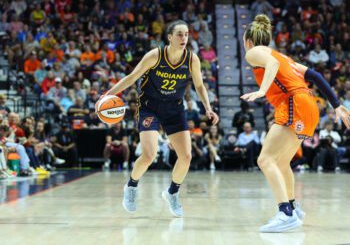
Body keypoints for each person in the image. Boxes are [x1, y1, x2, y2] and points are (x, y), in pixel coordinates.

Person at [240, 14, 350, 232]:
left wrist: (262, 90)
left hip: (295, 103)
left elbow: (270, 63)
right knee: (281, 162)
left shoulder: (254, 52)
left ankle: (285, 213)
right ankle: (292, 207)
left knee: (265, 159)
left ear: (248, 41)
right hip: (309, 106)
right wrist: (336, 104)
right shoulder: (285, 58)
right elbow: (316, 75)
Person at [101, 20, 219, 217]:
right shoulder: (155, 55)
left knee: (186, 156)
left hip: (174, 109)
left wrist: (208, 108)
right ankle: (131, 186)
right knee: (149, 154)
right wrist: (108, 95)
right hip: (150, 107)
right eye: (179, 34)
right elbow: (131, 78)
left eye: (186, 34)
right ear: (170, 37)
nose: (184, 38)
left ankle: (172, 192)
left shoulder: (192, 60)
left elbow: (199, 86)